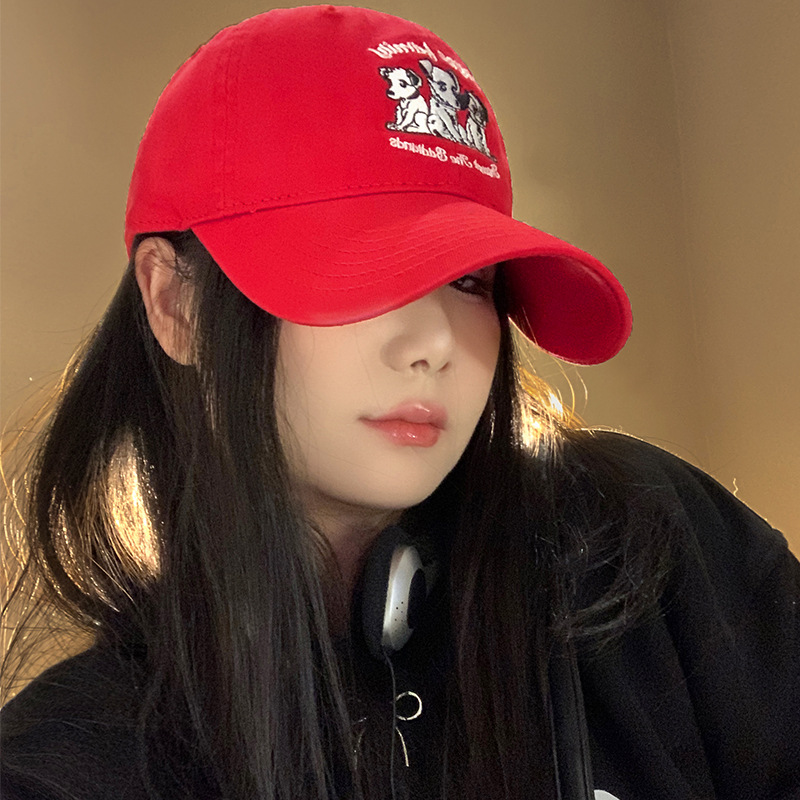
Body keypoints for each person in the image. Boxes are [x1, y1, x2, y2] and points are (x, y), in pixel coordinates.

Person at [1, 7, 798, 800]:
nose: (435, 343)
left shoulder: (651, 553)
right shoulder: (59, 772)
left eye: (469, 280)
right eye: (354, 264)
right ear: (178, 305)